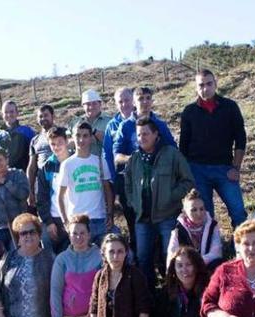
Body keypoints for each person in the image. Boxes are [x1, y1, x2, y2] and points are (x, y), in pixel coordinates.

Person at [123, 117, 195, 281]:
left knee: (170, 256)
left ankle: (173, 295)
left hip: (167, 216)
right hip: (142, 218)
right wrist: (133, 201)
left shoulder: (171, 154)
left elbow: (188, 180)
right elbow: (127, 182)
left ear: (156, 134)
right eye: (139, 135)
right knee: (143, 257)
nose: (142, 138)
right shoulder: (135, 158)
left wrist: (171, 196)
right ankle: (149, 297)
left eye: (146, 134)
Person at [179, 69, 248, 227]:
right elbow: (183, 146)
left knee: (238, 211)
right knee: (205, 215)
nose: (205, 88)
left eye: (209, 83)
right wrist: (186, 173)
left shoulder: (230, 107)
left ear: (215, 84)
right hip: (197, 170)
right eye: (201, 85)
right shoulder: (189, 112)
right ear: (196, 88)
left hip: (225, 168)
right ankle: (211, 248)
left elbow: (241, 138)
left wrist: (236, 168)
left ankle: (243, 246)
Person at [58, 122, 115, 245]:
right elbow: (60, 196)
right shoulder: (67, 164)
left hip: (100, 219)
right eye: (77, 135)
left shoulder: (100, 161)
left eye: (85, 136)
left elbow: (108, 190)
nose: (81, 139)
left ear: (91, 138)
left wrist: (110, 214)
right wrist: (65, 221)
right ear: (72, 138)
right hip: (78, 222)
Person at [112, 86, 177, 167]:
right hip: (134, 174)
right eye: (141, 99)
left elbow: (173, 149)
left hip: (158, 173)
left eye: (148, 98)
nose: (145, 101)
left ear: (152, 101)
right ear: (134, 103)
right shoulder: (125, 126)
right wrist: (133, 159)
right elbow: (117, 156)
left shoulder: (160, 125)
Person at [104, 87, 136, 244]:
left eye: (127, 100)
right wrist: (112, 178)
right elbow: (108, 154)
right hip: (122, 179)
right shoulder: (112, 125)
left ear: (133, 100)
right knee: (129, 214)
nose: (124, 104)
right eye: (120, 101)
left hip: (144, 177)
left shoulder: (142, 119)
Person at [165, 189, 222, 271]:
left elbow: (216, 253)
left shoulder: (212, 226)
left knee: (218, 263)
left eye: (201, 209)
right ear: (184, 213)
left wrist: (196, 262)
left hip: (206, 268)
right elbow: (171, 256)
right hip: (186, 270)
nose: (199, 213)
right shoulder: (177, 230)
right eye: (193, 210)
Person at [35, 126, 71, 253]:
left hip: (73, 217)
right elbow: (42, 197)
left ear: (66, 141)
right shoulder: (47, 167)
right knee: (48, 250)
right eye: (52, 144)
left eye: (60, 143)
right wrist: (48, 222)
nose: (56, 147)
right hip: (53, 218)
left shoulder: (75, 162)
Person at [27, 105, 58, 209]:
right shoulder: (35, 140)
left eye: (46, 115)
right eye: (40, 116)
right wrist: (30, 190)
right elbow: (31, 167)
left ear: (53, 116)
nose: (43, 119)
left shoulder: (63, 133)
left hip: (60, 179)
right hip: (42, 183)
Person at [0, 100, 36, 171]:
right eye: (6, 112)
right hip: (5, 177)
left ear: (17, 113)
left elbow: (35, 155)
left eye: (11, 112)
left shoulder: (27, 132)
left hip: (24, 175)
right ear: (2, 115)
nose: (9, 115)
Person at [69, 89, 112, 158]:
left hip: (103, 163)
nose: (91, 107)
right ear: (83, 106)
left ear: (100, 104)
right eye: (88, 104)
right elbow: (68, 142)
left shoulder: (109, 121)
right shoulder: (75, 122)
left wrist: (95, 132)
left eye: (94, 103)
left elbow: (113, 141)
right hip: (80, 164)